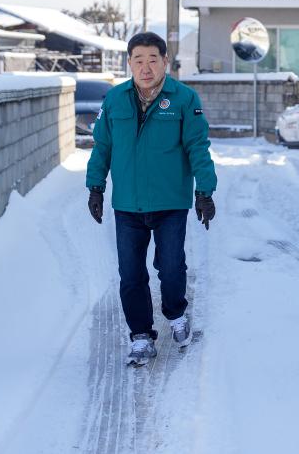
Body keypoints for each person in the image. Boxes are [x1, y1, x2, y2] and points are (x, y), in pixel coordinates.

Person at [86, 31, 217, 366]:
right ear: (129, 63)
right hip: (127, 204)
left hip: (171, 202)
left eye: (153, 60)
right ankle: (141, 335)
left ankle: (176, 314)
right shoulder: (115, 100)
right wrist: (95, 187)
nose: (146, 67)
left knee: (171, 268)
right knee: (131, 275)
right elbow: (102, 147)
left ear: (165, 62)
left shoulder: (183, 99)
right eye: (138, 60)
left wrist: (204, 191)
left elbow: (198, 147)